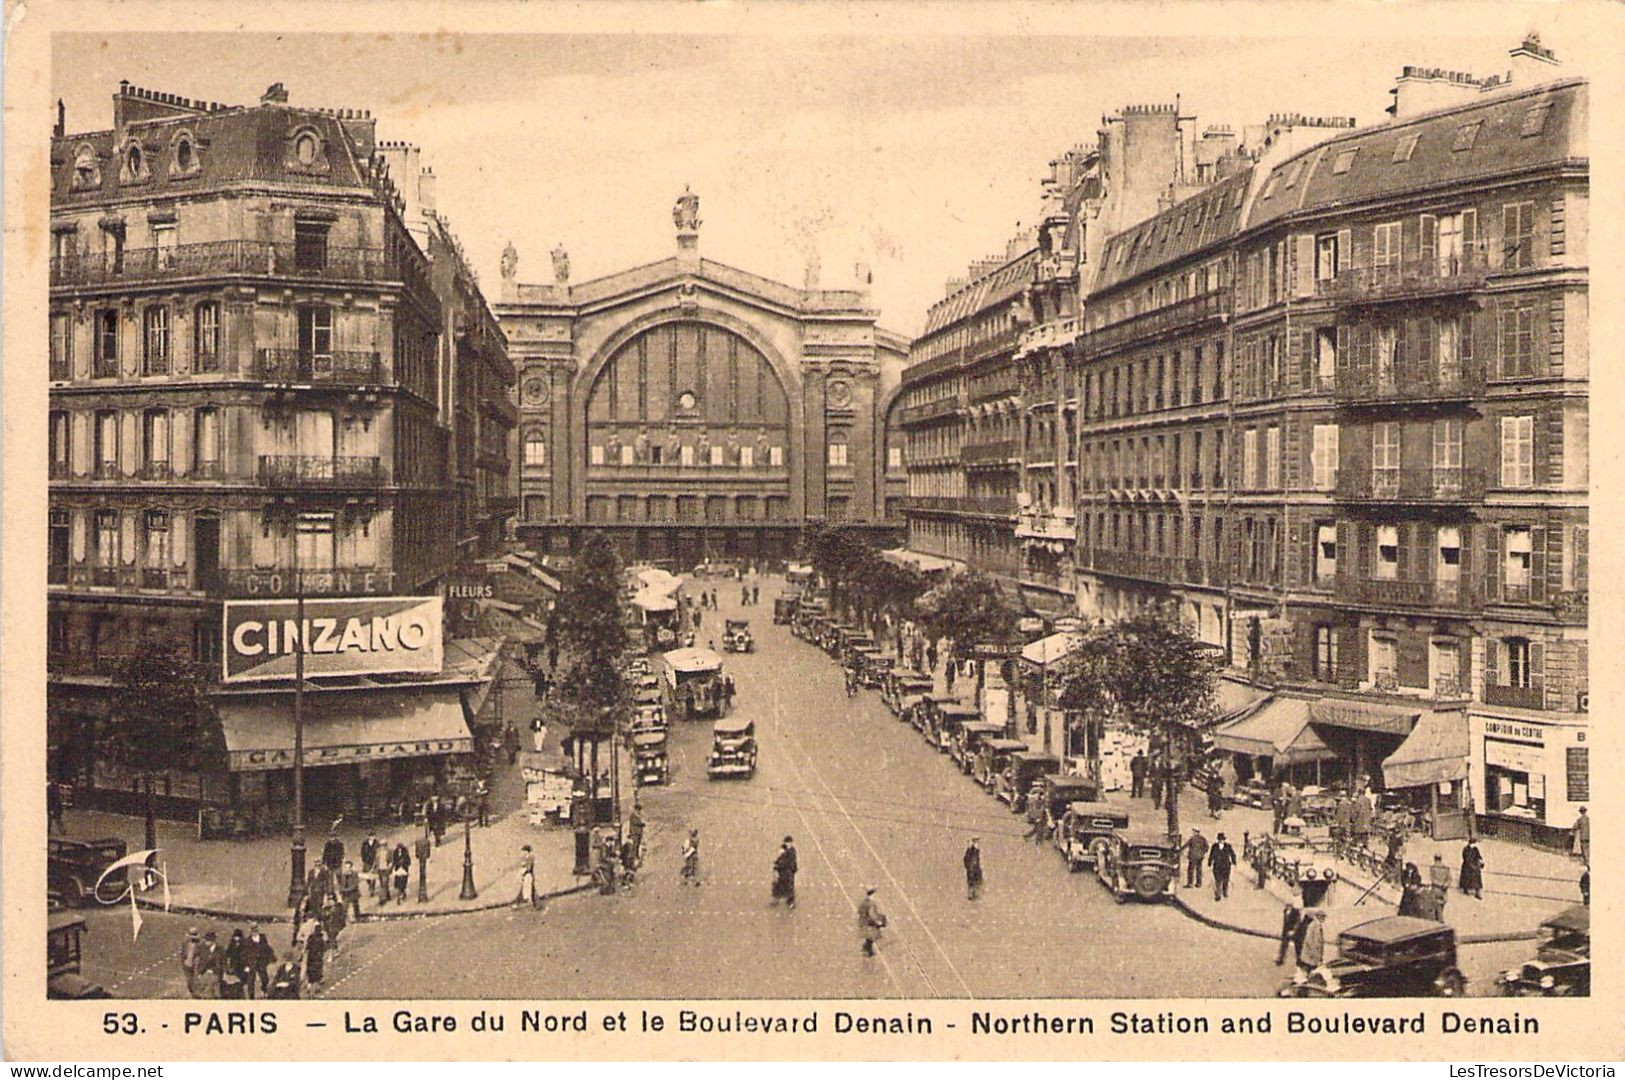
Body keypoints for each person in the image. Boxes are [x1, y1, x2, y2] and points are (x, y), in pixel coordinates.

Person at [243, 922, 274, 998]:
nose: (254, 933)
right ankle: (251, 996)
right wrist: (246, 965)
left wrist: (268, 959)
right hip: (251, 963)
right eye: (252, 931)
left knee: (264, 978)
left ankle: (264, 991)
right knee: (250, 980)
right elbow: (245, 954)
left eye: (255, 931)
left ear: (258, 931)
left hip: (261, 962)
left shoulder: (263, 938)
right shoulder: (247, 941)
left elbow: (267, 949)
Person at [1297, 908, 1327, 979]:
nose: (1324, 919)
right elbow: (1309, 941)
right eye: (1323, 917)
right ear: (1318, 917)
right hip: (1310, 955)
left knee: (1310, 972)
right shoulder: (1313, 926)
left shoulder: (1318, 925)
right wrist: (1315, 954)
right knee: (1307, 972)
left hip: (1312, 955)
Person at [857, 887, 886, 957]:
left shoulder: (864, 901)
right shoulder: (871, 904)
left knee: (869, 936)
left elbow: (859, 910)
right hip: (870, 923)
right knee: (872, 936)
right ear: (872, 895)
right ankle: (868, 951)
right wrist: (878, 922)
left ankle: (865, 948)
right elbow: (872, 914)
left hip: (863, 921)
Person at [772, 836, 798, 909]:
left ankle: (790, 902)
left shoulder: (791, 851)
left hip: (788, 871)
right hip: (783, 870)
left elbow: (787, 861)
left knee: (789, 886)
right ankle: (776, 898)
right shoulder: (785, 849)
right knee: (778, 884)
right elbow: (779, 858)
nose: (788, 844)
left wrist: (778, 865)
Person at [1208, 832, 1236, 900]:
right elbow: (1211, 854)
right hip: (1217, 865)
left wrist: (1234, 861)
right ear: (1218, 840)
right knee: (1218, 880)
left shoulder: (1228, 846)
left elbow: (1232, 854)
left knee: (1225, 880)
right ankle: (1218, 894)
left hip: (1226, 866)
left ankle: (1225, 892)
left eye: (1222, 839)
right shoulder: (1214, 846)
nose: (1221, 841)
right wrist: (1209, 862)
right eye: (1220, 839)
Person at [221, 929, 248, 1000]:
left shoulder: (244, 946)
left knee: (239, 983)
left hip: (241, 966)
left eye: (238, 937)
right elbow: (227, 954)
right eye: (235, 937)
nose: (236, 939)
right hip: (233, 965)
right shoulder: (232, 945)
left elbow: (245, 958)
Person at [195, 931, 222, 999]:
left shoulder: (220, 949)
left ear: (212, 941)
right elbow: (200, 961)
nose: (205, 942)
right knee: (202, 991)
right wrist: (199, 973)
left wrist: (222, 973)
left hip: (215, 973)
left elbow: (223, 962)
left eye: (207, 941)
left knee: (216, 993)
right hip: (204, 972)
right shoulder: (202, 948)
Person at [303, 921, 328, 989]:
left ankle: (309, 985)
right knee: (318, 970)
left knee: (310, 970)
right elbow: (325, 948)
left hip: (311, 957)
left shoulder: (310, 937)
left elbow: (307, 947)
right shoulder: (321, 939)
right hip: (319, 957)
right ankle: (317, 986)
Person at [181, 926, 204, 998]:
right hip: (187, 964)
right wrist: (183, 962)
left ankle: (196, 994)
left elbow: (202, 955)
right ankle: (193, 993)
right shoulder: (185, 943)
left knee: (195, 980)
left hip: (195, 964)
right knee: (189, 981)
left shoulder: (200, 944)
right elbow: (182, 953)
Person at [1428, 853, 1452, 917]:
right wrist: (1445, 885)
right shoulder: (1446, 868)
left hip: (1436, 888)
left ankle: (1439, 919)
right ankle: (1440, 917)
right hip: (1443, 890)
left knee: (1435, 905)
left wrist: (1438, 884)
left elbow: (1431, 879)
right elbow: (1449, 879)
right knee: (1441, 905)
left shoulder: (1432, 868)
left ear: (1435, 859)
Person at [360, 832, 381, 896]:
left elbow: (379, 852)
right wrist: (363, 860)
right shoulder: (365, 843)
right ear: (368, 836)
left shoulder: (377, 843)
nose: (372, 837)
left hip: (374, 861)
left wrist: (377, 861)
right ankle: (370, 885)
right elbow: (362, 852)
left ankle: (372, 889)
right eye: (371, 836)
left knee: (373, 875)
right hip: (366, 861)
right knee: (367, 876)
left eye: (373, 836)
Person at [414, 832, 433, 900]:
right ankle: (423, 894)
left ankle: (422, 893)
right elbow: (428, 853)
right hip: (423, 859)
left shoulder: (417, 841)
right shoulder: (427, 842)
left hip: (421, 859)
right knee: (423, 874)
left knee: (422, 874)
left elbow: (417, 854)